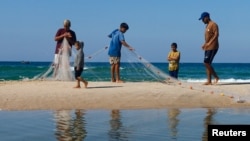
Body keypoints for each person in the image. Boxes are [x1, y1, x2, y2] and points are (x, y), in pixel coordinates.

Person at [199, 12, 219, 85]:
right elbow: (208, 38)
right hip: (207, 47)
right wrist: (204, 44)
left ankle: (216, 77)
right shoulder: (207, 26)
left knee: (206, 63)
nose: (202, 21)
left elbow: (216, 35)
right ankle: (209, 81)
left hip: (213, 47)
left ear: (207, 17)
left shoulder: (213, 24)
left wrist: (210, 43)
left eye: (203, 19)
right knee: (207, 63)